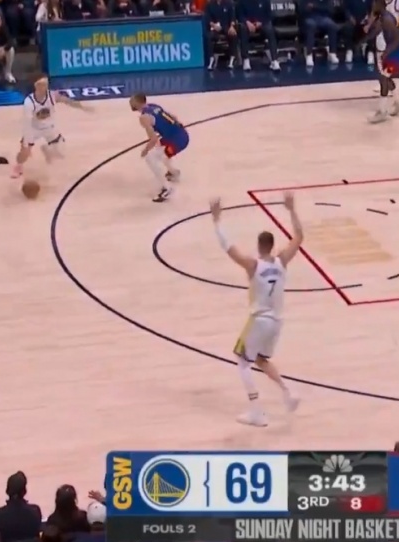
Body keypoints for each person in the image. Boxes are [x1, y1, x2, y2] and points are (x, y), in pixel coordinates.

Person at [210, 192, 301, 427]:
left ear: (259, 247)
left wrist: (217, 220)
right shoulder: (282, 261)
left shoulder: (254, 265)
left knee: (242, 361)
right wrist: (291, 210)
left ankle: (256, 411)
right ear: (272, 246)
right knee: (260, 359)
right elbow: (299, 237)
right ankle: (288, 391)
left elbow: (228, 248)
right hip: (277, 321)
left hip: (260, 319)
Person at [11, 76, 92, 179]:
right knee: (24, 153)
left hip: (49, 128)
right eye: (42, 84)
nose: (45, 87)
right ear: (36, 86)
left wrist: (83, 107)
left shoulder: (52, 95)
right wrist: (26, 142)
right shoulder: (29, 102)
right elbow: (27, 123)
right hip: (33, 129)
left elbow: (68, 101)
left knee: (61, 153)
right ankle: (18, 166)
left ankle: (46, 149)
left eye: (46, 84)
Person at [129, 93, 189, 203]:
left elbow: (153, 139)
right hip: (178, 134)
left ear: (137, 103)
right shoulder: (154, 106)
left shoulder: (144, 118)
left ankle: (167, 189)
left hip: (176, 140)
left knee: (150, 158)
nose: (130, 103)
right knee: (160, 151)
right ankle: (174, 173)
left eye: (132, 101)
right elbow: (173, 117)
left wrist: (145, 150)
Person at [367, 0, 399, 124]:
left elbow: (398, 39)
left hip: (398, 53)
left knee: (383, 78)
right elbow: (376, 31)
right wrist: (362, 41)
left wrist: (386, 52)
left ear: (380, 4)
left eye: (375, 3)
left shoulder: (387, 19)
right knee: (385, 77)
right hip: (395, 51)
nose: (373, 5)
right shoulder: (382, 17)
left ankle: (382, 111)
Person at [372, 0, 399, 93]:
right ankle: (383, 81)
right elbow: (373, 15)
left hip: (396, 32)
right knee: (380, 56)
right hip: (382, 31)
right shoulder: (379, 3)